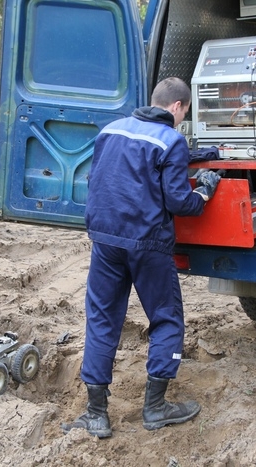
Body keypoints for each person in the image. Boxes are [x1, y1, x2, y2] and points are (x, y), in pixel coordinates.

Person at [61, 77, 221, 438]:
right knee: (166, 319)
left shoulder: (112, 130)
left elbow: (122, 168)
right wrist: (206, 192)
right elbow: (179, 201)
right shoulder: (171, 140)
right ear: (177, 107)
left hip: (105, 240)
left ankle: (97, 414)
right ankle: (156, 407)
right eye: (185, 113)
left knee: (102, 319)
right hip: (148, 244)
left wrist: (193, 154)